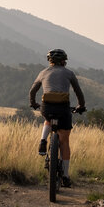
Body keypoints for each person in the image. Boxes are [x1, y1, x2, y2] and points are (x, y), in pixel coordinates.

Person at [29, 49, 86, 187]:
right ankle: (65, 176)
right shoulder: (69, 73)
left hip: (47, 107)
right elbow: (79, 92)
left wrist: (33, 103)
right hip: (63, 108)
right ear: (63, 61)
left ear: (50, 61)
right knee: (64, 141)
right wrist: (81, 106)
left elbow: (33, 91)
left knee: (48, 119)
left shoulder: (43, 72)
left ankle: (43, 140)